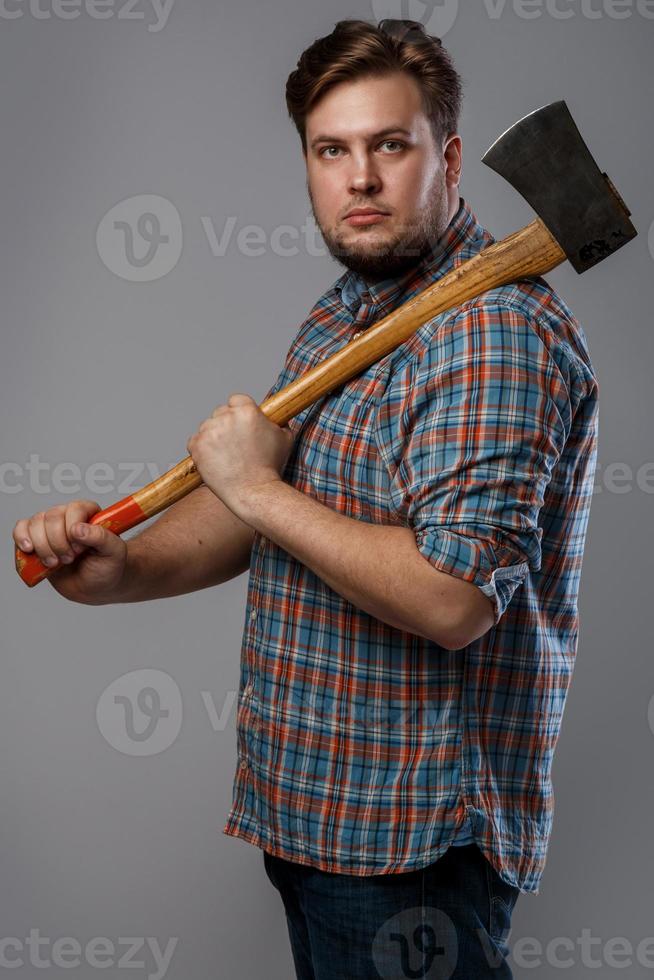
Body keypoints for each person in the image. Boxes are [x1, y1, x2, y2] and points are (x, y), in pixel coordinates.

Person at [13, 18, 599, 979]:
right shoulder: (354, 306)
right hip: (318, 817)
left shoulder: (491, 338)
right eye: (332, 150)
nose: (358, 178)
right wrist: (127, 567)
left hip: (408, 849)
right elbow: (266, 503)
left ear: (447, 158)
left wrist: (250, 484)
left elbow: (452, 602)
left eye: (389, 146)